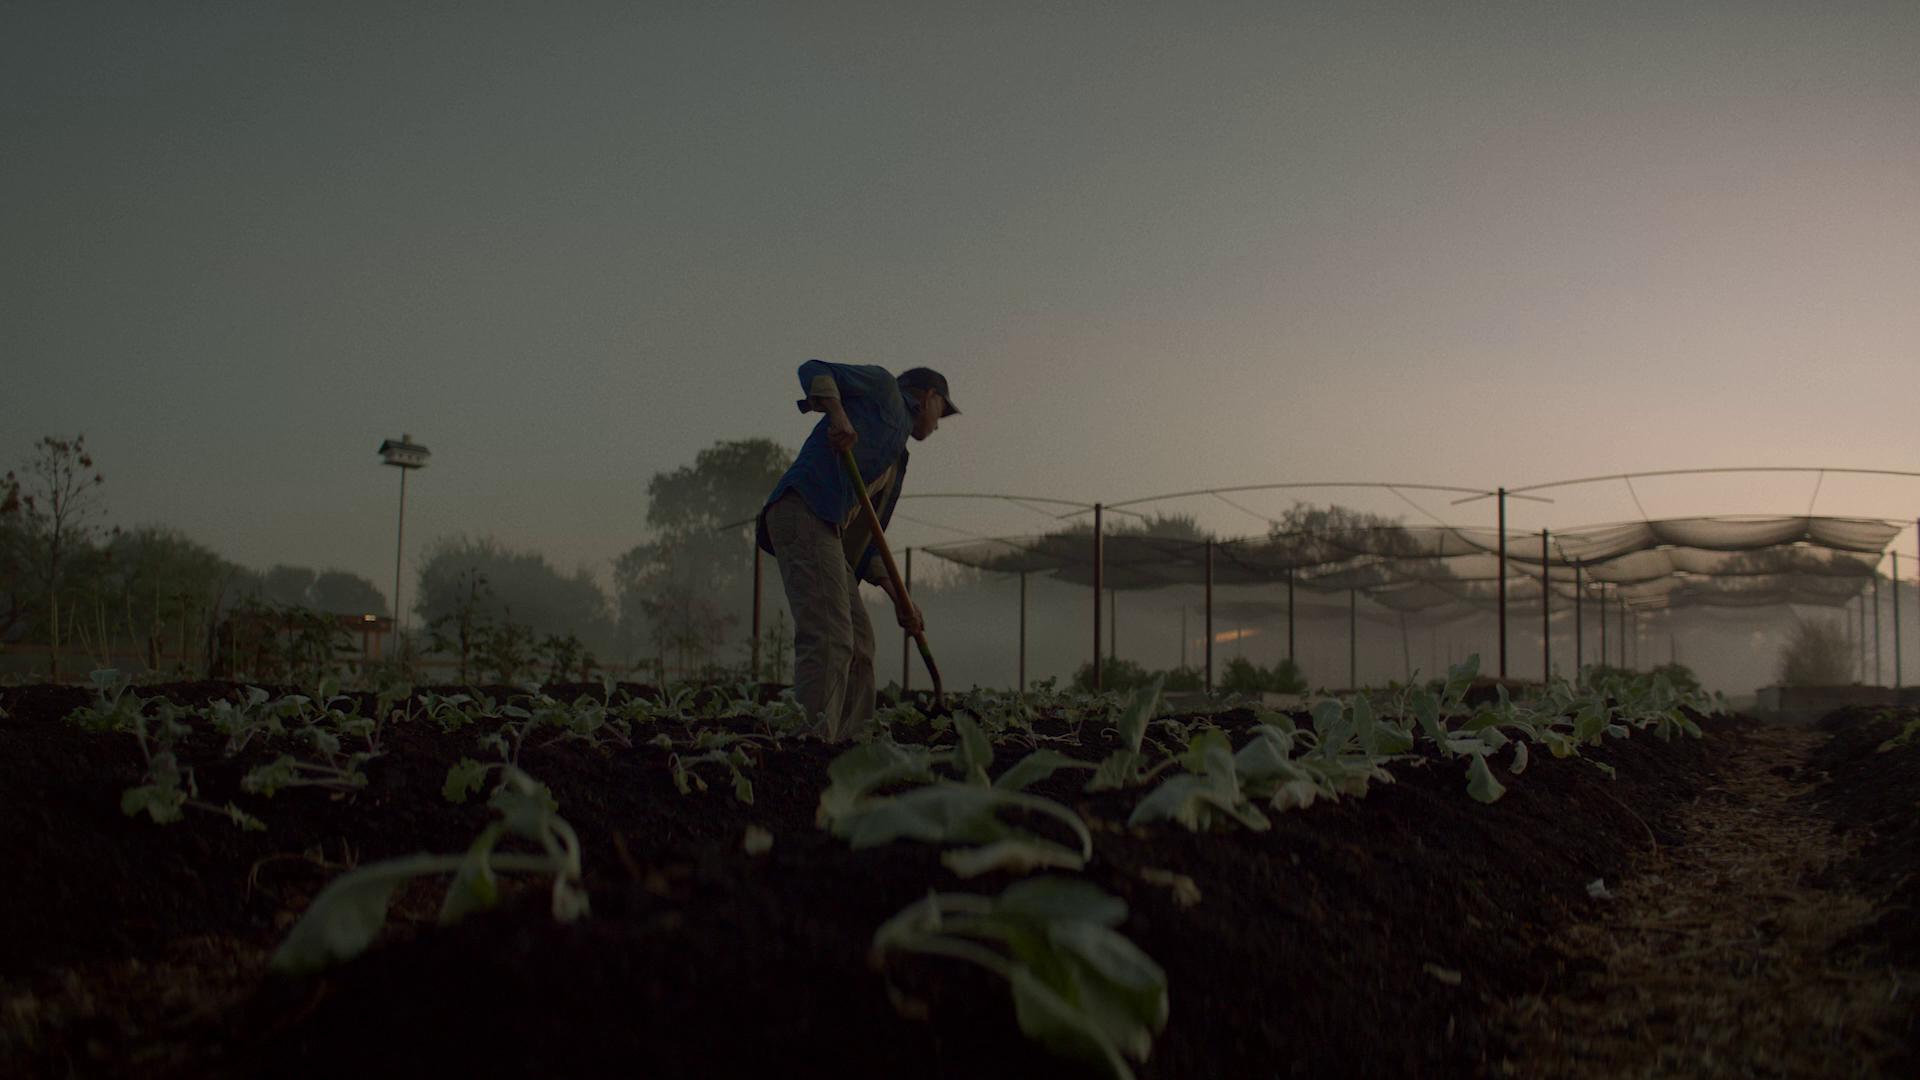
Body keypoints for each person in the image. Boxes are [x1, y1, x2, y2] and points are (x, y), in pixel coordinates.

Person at [757, 360, 958, 741]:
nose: (937, 422)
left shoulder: (895, 459)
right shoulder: (883, 388)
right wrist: (838, 416)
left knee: (860, 644)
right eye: (941, 411)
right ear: (929, 396)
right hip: (804, 508)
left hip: (828, 528)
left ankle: (851, 743)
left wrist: (902, 599)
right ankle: (812, 746)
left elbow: (864, 543)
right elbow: (814, 369)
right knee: (831, 636)